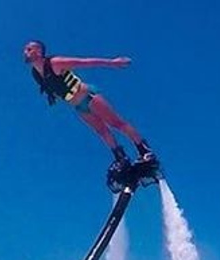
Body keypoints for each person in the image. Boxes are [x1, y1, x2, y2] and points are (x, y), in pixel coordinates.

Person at [23, 40, 156, 168]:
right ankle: (121, 158)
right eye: (25, 50)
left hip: (88, 96)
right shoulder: (36, 74)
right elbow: (49, 85)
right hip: (78, 106)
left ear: (39, 51)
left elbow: (84, 62)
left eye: (29, 49)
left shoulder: (55, 63)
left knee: (116, 123)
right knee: (102, 131)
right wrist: (51, 95)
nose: (25, 52)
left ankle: (144, 149)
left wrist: (111, 63)